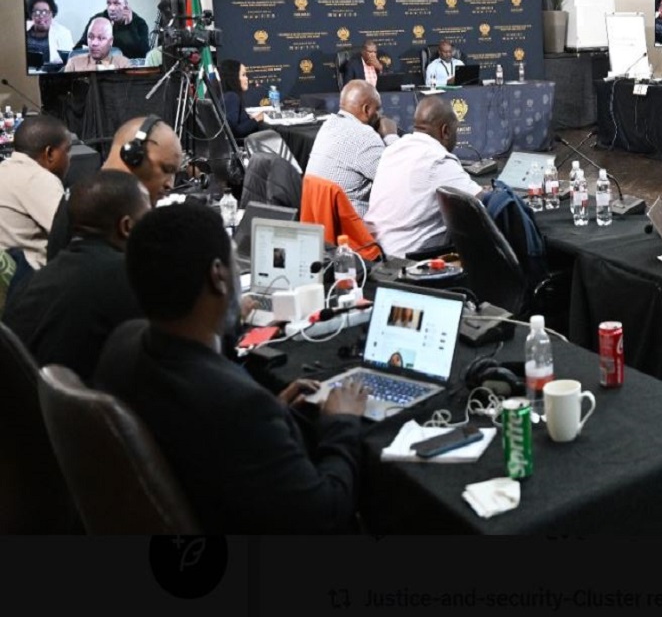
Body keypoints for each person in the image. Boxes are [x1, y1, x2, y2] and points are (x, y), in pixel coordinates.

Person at [92, 202, 369, 533]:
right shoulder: (238, 407)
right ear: (218, 276)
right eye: (236, 264)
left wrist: (275, 415)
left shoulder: (121, 344)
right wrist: (342, 424)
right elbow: (326, 513)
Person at [3, 171, 149, 384]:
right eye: (147, 218)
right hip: (68, 402)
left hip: (29, 400)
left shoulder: (35, 279)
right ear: (127, 227)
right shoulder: (127, 277)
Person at [47, 116, 184, 260]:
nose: (170, 184)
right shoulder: (91, 206)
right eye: (166, 169)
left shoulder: (80, 196)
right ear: (133, 156)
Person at [365, 95, 484, 257]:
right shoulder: (438, 159)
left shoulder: (393, 149)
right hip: (410, 261)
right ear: (445, 131)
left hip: (377, 252)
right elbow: (481, 203)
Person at [304, 80, 398, 217]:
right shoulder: (364, 135)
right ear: (366, 109)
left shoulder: (328, 125)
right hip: (354, 224)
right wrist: (390, 136)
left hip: (323, 219)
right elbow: (398, 178)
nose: (379, 115)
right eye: (377, 109)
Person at [0, 115, 71, 270]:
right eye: (67, 151)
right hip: (30, 276)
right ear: (49, 153)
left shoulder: (4, 169)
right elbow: (70, 233)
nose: (69, 158)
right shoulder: (38, 179)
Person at [75, 0, 149, 60]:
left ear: (125, 5)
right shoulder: (97, 20)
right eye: (109, 3)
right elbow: (78, 49)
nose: (112, 8)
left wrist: (130, 27)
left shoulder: (139, 24)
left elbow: (145, 55)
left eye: (116, 3)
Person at [218, 59, 265, 139]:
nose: (247, 78)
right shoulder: (232, 97)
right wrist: (257, 119)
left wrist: (249, 119)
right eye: (243, 75)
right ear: (234, 78)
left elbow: (236, 123)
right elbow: (234, 132)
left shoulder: (228, 95)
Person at [25, 0, 74, 66]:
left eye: (45, 12)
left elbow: (70, 61)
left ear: (52, 14)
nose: (41, 16)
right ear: (31, 14)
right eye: (37, 12)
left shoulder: (63, 33)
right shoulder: (22, 28)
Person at [63, 18, 129, 72]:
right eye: (91, 37)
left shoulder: (123, 64)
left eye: (101, 38)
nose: (94, 43)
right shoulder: (74, 64)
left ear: (111, 41)